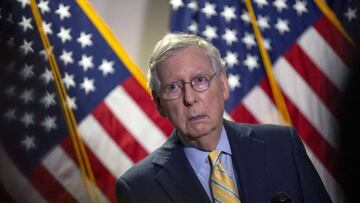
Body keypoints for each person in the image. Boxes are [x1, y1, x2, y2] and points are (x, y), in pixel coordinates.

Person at [115, 33, 331, 203]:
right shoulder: (138, 188)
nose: (189, 98)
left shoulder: (282, 145)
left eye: (200, 80)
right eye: (173, 88)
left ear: (224, 85)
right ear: (158, 103)